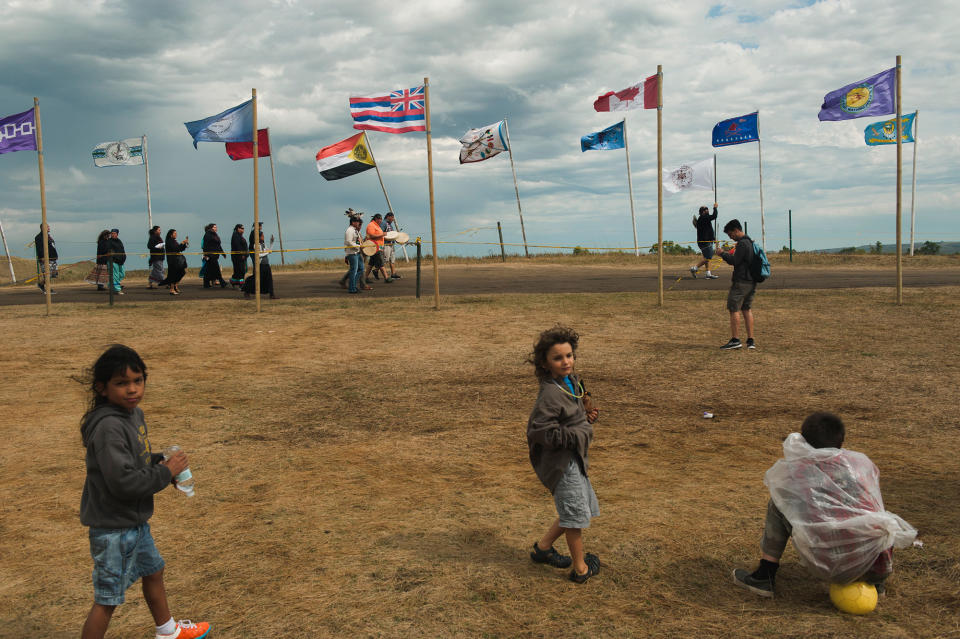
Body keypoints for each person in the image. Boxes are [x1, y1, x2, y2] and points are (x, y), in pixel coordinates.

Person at [78, 344, 210, 639]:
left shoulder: (132, 415)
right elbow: (124, 482)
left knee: (153, 571)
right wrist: (165, 473)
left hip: (133, 522)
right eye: (121, 383)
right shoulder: (109, 427)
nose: (132, 389)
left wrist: (159, 465)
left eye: (138, 381)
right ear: (102, 388)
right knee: (107, 600)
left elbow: (134, 463)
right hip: (114, 529)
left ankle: (167, 632)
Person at [732, 412, 916, 599]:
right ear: (841, 440)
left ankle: (765, 575)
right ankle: (877, 584)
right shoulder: (860, 463)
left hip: (831, 567)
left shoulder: (798, 470)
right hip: (876, 567)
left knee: (779, 502)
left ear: (804, 441)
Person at [526, 325, 602, 584]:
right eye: (558, 358)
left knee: (576, 507)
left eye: (569, 355)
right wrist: (577, 433)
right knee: (574, 518)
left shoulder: (572, 382)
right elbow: (541, 431)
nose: (565, 361)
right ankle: (581, 569)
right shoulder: (550, 394)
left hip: (575, 460)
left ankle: (543, 549)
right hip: (561, 465)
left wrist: (586, 416)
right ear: (545, 364)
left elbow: (578, 407)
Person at [717, 219, 756, 350]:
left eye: (730, 234)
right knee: (746, 309)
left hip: (741, 281)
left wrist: (722, 253)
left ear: (736, 230)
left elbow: (734, 261)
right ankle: (751, 340)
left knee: (734, 309)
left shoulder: (742, 244)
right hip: (752, 281)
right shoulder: (750, 241)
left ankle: (735, 340)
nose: (731, 237)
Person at [242, 227, 277, 299]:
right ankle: (247, 291)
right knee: (256, 279)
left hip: (266, 264)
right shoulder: (256, 245)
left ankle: (272, 294)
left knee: (269, 279)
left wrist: (272, 242)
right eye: (262, 236)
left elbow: (268, 251)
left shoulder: (263, 244)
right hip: (260, 265)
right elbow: (258, 255)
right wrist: (267, 252)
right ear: (259, 237)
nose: (263, 237)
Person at [690, 203, 719, 279]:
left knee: (707, 257)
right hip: (705, 242)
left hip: (705, 241)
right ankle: (694, 268)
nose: (708, 210)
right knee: (709, 257)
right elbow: (714, 216)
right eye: (706, 209)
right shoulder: (703, 217)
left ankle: (708, 274)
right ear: (703, 212)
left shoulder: (704, 219)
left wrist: (713, 238)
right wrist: (715, 208)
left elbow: (709, 230)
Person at [158, 229, 188, 295]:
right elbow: (175, 249)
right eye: (174, 233)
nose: (176, 234)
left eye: (176, 233)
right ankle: (172, 289)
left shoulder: (174, 241)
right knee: (173, 275)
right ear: (171, 235)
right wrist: (182, 243)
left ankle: (175, 286)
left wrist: (184, 245)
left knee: (182, 272)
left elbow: (179, 249)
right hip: (172, 260)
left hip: (176, 260)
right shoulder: (169, 241)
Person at [363, 213, 391, 284]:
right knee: (381, 262)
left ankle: (365, 278)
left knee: (371, 263)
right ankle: (386, 278)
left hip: (378, 247)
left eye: (381, 219)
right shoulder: (371, 225)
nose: (380, 220)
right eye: (379, 219)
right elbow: (371, 236)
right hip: (374, 247)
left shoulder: (376, 225)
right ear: (375, 219)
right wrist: (382, 234)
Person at [201, 223, 227, 289]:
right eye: (215, 227)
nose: (216, 228)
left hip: (215, 255)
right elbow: (205, 246)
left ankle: (206, 284)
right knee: (216, 269)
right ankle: (222, 282)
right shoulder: (207, 235)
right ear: (211, 228)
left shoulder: (215, 235)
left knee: (209, 270)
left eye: (216, 227)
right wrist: (206, 255)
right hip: (210, 255)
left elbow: (218, 245)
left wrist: (223, 253)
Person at [34, 223, 59, 293]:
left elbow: (52, 246)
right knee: (47, 274)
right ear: (42, 228)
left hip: (52, 258)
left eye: (48, 226)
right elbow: (39, 248)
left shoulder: (48, 236)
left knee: (53, 274)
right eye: (47, 227)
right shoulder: (39, 237)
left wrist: (55, 255)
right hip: (45, 259)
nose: (49, 227)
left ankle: (40, 284)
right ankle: (48, 290)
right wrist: (42, 257)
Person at [343, 215, 363, 294]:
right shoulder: (349, 230)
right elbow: (348, 242)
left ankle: (353, 286)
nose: (358, 223)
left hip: (357, 252)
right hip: (352, 253)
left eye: (358, 221)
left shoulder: (355, 230)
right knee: (353, 271)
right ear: (353, 222)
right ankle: (352, 289)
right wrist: (358, 246)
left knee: (361, 269)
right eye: (357, 221)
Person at [105, 229, 127, 295]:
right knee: (115, 276)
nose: (113, 234)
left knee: (122, 274)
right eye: (112, 233)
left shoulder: (119, 241)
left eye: (114, 233)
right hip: (113, 261)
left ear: (117, 234)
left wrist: (124, 257)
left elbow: (122, 250)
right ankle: (118, 290)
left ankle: (111, 285)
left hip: (121, 261)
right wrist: (114, 257)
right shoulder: (109, 241)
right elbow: (109, 251)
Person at [381, 211, 401, 279]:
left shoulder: (390, 225)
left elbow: (392, 235)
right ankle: (376, 270)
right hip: (386, 244)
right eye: (392, 217)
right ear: (388, 217)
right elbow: (381, 233)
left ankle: (393, 273)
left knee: (392, 259)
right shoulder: (383, 223)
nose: (393, 219)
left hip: (391, 244)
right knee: (385, 259)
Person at [229, 223, 247, 288]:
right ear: (238, 229)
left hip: (242, 256)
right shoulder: (235, 236)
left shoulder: (240, 236)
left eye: (243, 228)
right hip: (237, 257)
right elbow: (237, 246)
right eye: (242, 228)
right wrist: (241, 254)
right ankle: (241, 284)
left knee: (239, 271)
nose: (243, 230)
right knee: (241, 270)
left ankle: (233, 281)